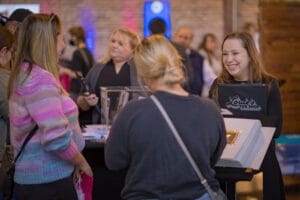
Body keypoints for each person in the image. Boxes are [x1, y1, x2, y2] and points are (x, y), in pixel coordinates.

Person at [105, 35, 226, 200]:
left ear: (143, 71)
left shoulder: (132, 113)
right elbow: (214, 157)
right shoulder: (211, 109)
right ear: (176, 63)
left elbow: (114, 162)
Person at [7, 13, 93, 200]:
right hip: (47, 183)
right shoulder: (40, 79)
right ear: (48, 41)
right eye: (61, 39)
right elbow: (56, 138)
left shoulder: (26, 73)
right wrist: (80, 161)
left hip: (41, 180)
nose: (63, 45)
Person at [209, 32, 285, 200]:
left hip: (262, 166)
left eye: (235, 53)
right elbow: (207, 129)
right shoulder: (218, 85)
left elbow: (276, 129)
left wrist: (235, 118)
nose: (229, 59)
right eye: (225, 54)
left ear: (250, 55)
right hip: (226, 167)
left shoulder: (269, 84)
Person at [76, 27, 141, 125]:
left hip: (132, 126)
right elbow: (81, 101)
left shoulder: (140, 71)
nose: (114, 45)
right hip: (100, 129)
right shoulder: (97, 69)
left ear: (133, 49)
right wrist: (86, 101)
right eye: (113, 41)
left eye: (120, 43)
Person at [174, 27, 217, 97]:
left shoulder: (199, 58)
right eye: (180, 36)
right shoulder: (167, 56)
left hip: (193, 99)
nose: (182, 40)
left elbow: (211, 79)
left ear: (191, 40)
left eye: (186, 38)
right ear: (175, 37)